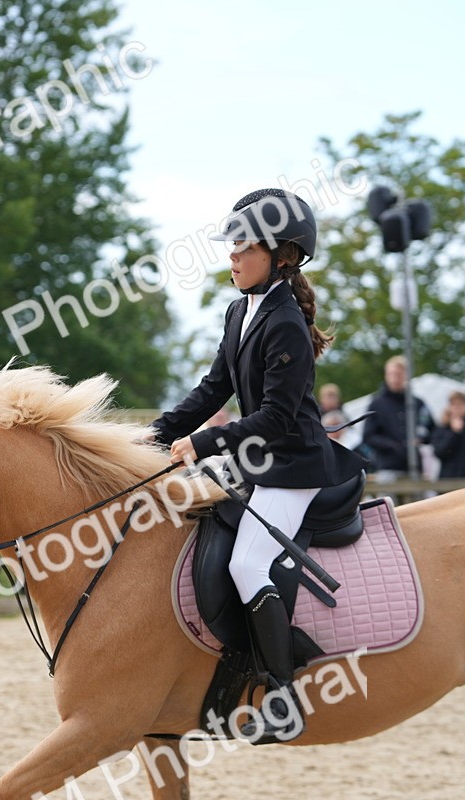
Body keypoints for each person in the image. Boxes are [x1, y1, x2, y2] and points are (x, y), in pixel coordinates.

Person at [151, 189, 365, 745]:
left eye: (244, 246)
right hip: (259, 460)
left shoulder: (287, 322)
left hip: (293, 465)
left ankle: (282, 694)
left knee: (249, 564)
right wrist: (157, 434)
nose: (232, 255)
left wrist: (206, 442)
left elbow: (274, 417)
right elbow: (213, 387)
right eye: (233, 245)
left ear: (282, 255)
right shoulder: (238, 310)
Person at [361, 356, 433, 480]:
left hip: (415, 467)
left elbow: (431, 429)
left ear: (406, 375)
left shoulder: (417, 403)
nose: (395, 378)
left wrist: (420, 439)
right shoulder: (377, 404)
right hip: (388, 467)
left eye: (399, 374)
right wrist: (393, 446)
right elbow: (368, 436)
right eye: (391, 374)